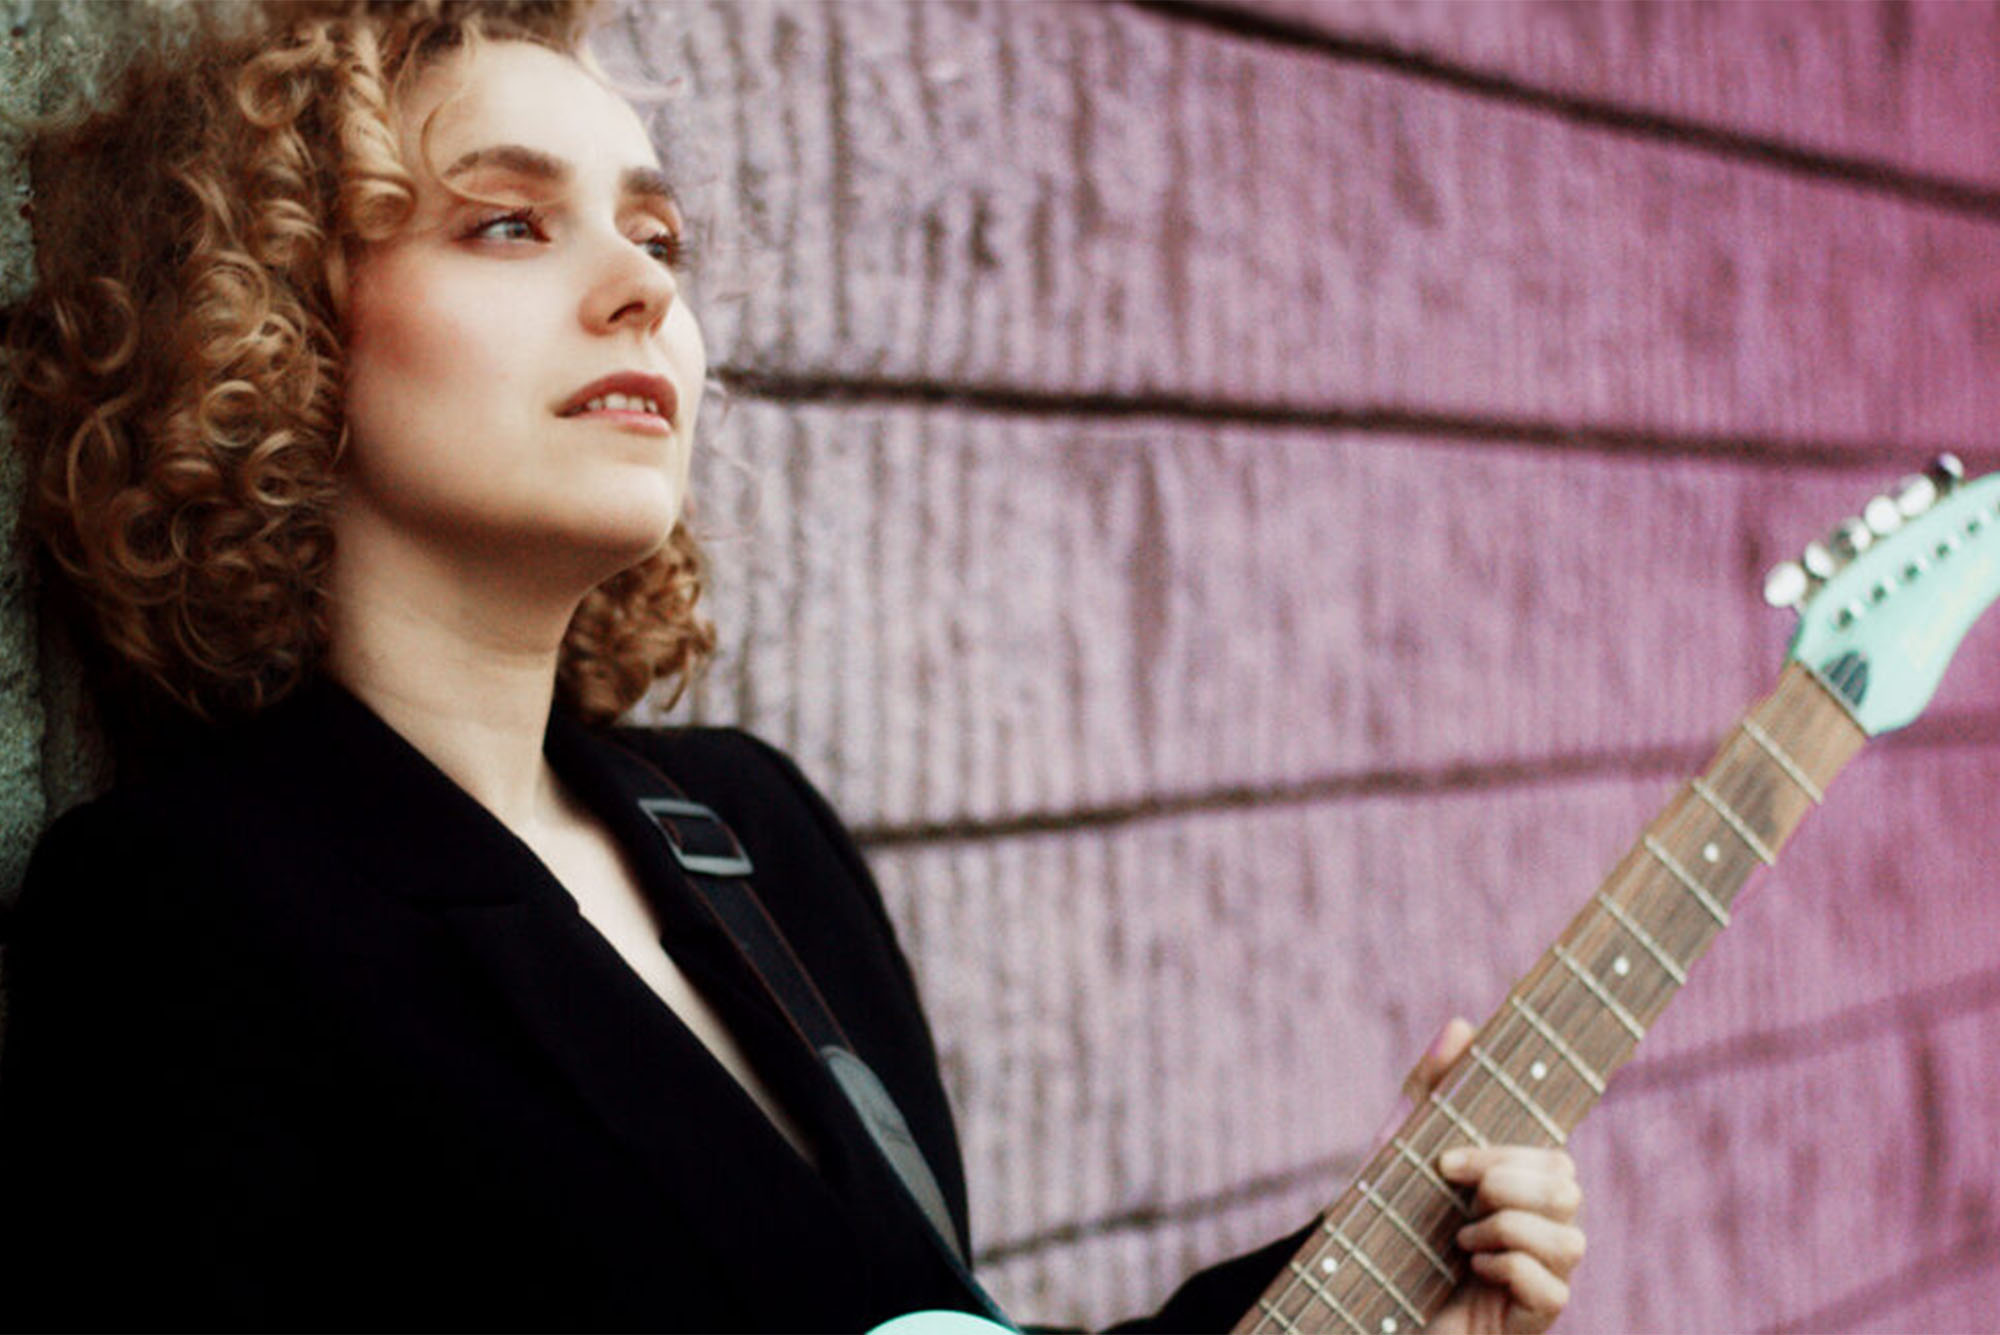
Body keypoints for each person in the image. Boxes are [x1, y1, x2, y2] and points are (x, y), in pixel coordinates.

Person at [0, 2, 1585, 1330]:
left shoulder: (756, 833)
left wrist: (1371, 1278)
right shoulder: (188, 913)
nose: (641, 285)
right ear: (273, 325)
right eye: (507, 221)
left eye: (656, 229)